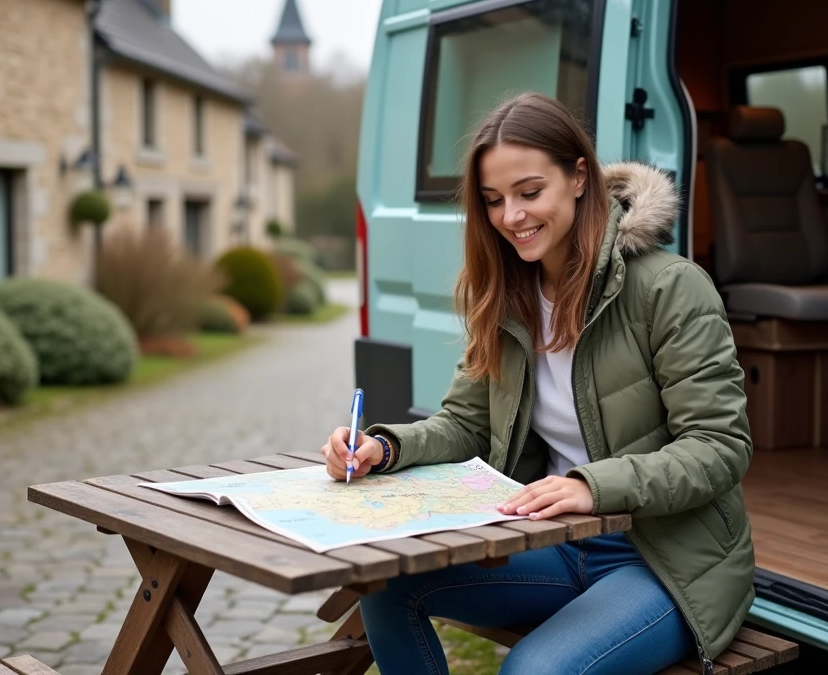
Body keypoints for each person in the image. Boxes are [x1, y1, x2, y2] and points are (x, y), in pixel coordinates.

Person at [322, 92, 755, 675]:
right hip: (552, 543)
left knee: (534, 670)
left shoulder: (670, 288)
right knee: (382, 582)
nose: (511, 217)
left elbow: (719, 448)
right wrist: (385, 447)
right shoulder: (508, 296)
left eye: (529, 193)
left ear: (579, 177)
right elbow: (467, 423)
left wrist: (590, 486)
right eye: (494, 201)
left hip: (664, 559)